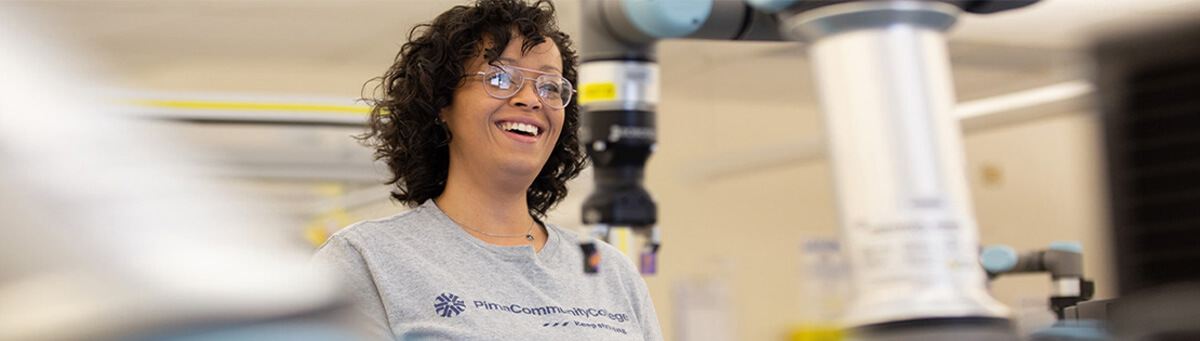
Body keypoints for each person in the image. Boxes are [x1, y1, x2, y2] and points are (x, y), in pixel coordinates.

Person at [312, 0, 662, 339]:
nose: (531, 99)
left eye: (550, 86)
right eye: (499, 78)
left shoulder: (613, 274)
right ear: (441, 103)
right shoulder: (366, 260)